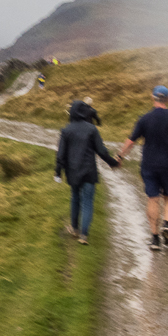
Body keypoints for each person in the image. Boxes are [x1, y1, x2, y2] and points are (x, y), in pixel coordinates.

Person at [117, 85, 168, 251]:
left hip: (149, 164)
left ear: (153, 98)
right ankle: (167, 224)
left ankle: (154, 238)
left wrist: (120, 156)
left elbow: (131, 141)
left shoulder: (144, 119)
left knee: (153, 198)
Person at [55, 99, 121, 245]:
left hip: (72, 171)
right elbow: (102, 151)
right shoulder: (92, 129)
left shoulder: (66, 130)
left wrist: (58, 172)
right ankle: (84, 235)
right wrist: (113, 163)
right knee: (87, 202)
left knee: (75, 198)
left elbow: (61, 154)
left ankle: (74, 228)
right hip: (89, 171)